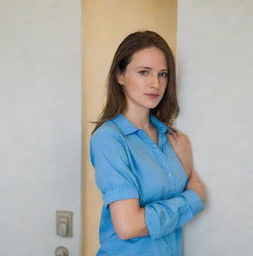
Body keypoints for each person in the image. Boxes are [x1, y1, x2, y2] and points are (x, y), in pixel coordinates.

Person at [89, 30, 206, 256]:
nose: (155, 84)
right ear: (119, 76)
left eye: (163, 74)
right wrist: (193, 198)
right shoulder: (109, 139)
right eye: (144, 72)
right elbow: (128, 226)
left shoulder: (173, 140)